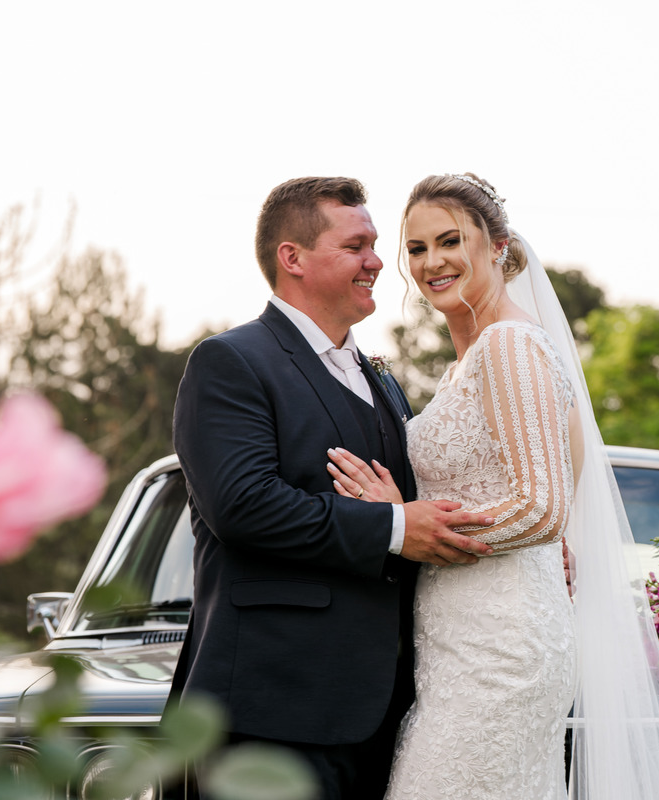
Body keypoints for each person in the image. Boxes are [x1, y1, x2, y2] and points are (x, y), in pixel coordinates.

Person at [329, 173, 659, 800]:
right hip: (465, 642)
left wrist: (408, 523)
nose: (432, 262)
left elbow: (543, 506)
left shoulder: (509, 344)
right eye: (416, 249)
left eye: (450, 240)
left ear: (498, 245)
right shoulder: (477, 356)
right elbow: (566, 465)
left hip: (503, 650)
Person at [164, 176, 496, 800]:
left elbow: (424, 495)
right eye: (357, 246)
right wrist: (395, 529)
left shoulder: (381, 380)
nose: (378, 261)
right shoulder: (231, 363)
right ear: (293, 257)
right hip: (272, 713)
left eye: (374, 245)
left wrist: (516, 536)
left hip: (386, 713)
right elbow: (243, 505)